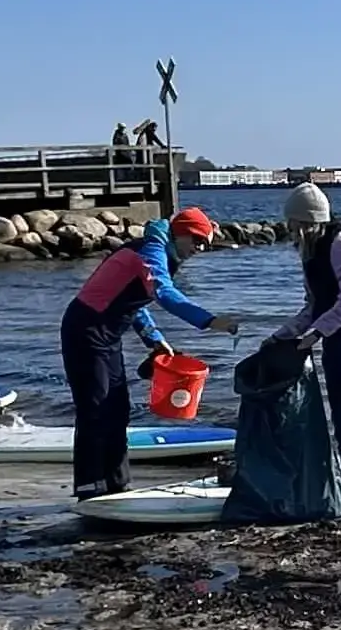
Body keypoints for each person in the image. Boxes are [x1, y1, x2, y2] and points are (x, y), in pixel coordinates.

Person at [63, 204, 231, 501]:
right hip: (85, 330)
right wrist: (209, 320)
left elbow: (133, 303)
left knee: (118, 408)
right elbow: (164, 293)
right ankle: (90, 487)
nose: (201, 248)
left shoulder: (161, 250)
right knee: (96, 407)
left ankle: (117, 484)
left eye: (205, 243)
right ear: (180, 234)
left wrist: (154, 339)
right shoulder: (151, 252)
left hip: (107, 335)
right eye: (197, 241)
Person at [266, 182, 341, 511]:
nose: (289, 230)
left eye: (293, 223)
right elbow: (314, 306)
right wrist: (284, 335)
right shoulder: (308, 251)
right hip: (336, 339)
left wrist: (315, 335)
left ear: (307, 221)